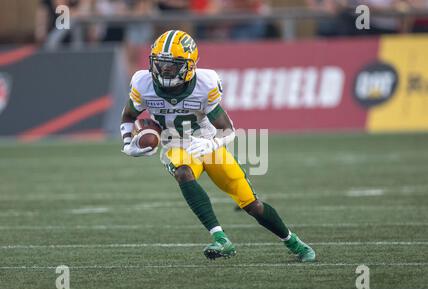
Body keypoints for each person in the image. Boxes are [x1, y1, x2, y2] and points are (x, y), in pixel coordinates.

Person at [120, 30, 316, 262]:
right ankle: (221, 239)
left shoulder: (205, 84)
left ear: (189, 65)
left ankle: (294, 243)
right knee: (183, 172)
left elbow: (228, 129)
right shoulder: (143, 83)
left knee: (252, 204)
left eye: (172, 65)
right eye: (160, 64)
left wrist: (210, 143)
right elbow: (128, 116)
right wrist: (127, 144)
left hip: (208, 143)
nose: (164, 70)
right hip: (175, 145)